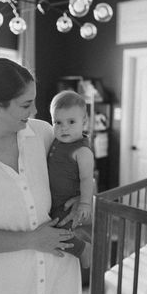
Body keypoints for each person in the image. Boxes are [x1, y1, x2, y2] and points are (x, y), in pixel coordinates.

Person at [0, 52, 82, 294]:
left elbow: (79, 162)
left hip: (58, 277)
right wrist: (32, 240)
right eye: (25, 104)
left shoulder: (42, 133)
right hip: (2, 286)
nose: (35, 109)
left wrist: (82, 195)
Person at [48, 90, 94, 269]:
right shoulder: (57, 140)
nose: (63, 127)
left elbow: (87, 179)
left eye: (71, 122)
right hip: (54, 199)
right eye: (57, 122)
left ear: (84, 122)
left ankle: (84, 249)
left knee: (58, 234)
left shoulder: (82, 151)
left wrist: (84, 204)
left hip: (67, 202)